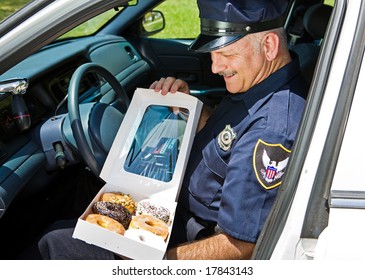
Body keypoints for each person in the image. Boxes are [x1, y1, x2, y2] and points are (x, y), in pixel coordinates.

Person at [36, 0, 308, 260]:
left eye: (226, 53)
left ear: (269, 46)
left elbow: (240, 245)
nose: (215, 67)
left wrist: (155, 262)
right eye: (213, 54)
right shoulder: (261, 86)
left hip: (189, 240)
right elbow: (231, 138)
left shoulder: (272, 130)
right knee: (81, 191)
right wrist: (191, 108)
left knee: (57, 240)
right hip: (172, 208)